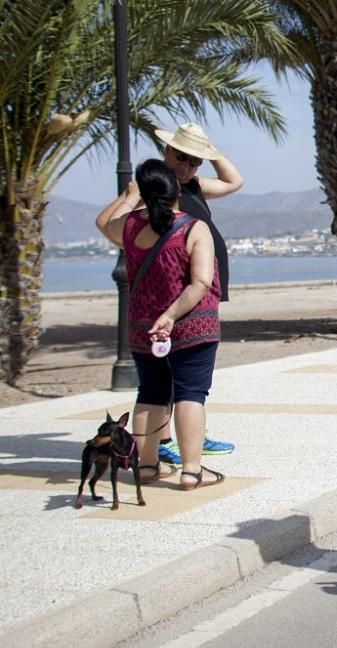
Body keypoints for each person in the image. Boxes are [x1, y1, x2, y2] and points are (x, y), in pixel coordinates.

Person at [95, 159, 225, 489]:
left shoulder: (129, 227)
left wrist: (128, 196)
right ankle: (192, 471)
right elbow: (200, 282)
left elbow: (103, 223)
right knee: (190, 394)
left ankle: (148, 466)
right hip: (191, 325)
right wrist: (171, 316)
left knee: (150, 394)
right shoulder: (193, 228)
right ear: (176, 190)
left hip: (143, 327)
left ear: (143, 191)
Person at [153, 123, 242, 465]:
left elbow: (234, 182)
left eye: (195, 161)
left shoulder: (191, 184)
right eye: (182, 157)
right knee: (170, 365)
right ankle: (163, 440)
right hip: (180, 285)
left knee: (190, 366)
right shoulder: (158, 187)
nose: (188, 166)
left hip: (202, 286)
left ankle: (192, 435)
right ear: (167, 152)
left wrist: (212, 153)